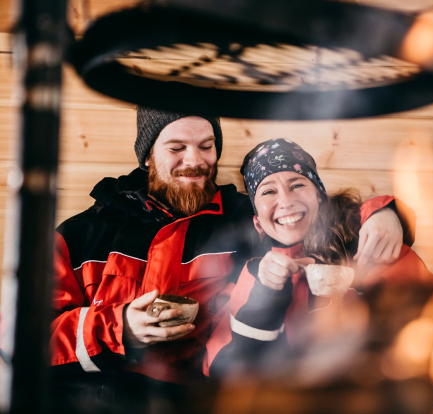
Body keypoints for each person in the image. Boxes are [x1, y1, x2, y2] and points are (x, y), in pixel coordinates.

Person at [49, 108, 409, 412]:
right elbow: (29, 336)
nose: (194, 161)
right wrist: (119, 328)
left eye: (206, 146)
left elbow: (317, 220)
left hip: (198, 401)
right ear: (147, 156)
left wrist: (384, 213)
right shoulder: (83, 233)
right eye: (177, 148)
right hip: (86, 398)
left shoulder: (245, 219)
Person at [204, 138, 433, 378]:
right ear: (258, 224)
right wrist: (267, 295)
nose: (286, 201)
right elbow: (222, 368)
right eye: (268, 191)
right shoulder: (251, 277)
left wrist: (386, 211)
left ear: (319, 196)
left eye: (297, 185)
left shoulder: (367, 243)